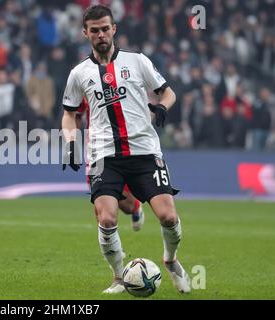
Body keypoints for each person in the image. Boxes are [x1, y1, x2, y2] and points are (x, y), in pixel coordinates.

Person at [61, 5, 191, 294]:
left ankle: (170, 261)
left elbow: (168, 92)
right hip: (104, 155)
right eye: (94, 30)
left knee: (168, 216)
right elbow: (69, 113)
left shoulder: (137, 61)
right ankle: (120, 276)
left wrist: (161, 106)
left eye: (105, 28)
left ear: (114, 29)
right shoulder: (79, 73)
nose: (101, 34)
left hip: (144, 151)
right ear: (86, 33)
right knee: (106, 218)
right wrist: (71, 143)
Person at [76, 98, 145, 232]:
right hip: (97, 151)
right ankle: (111, 248)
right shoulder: (83, 83)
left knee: (127, 205)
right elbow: (75, 114)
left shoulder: (122, 82)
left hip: (124, 147)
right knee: (100, 196)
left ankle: (135, 207)